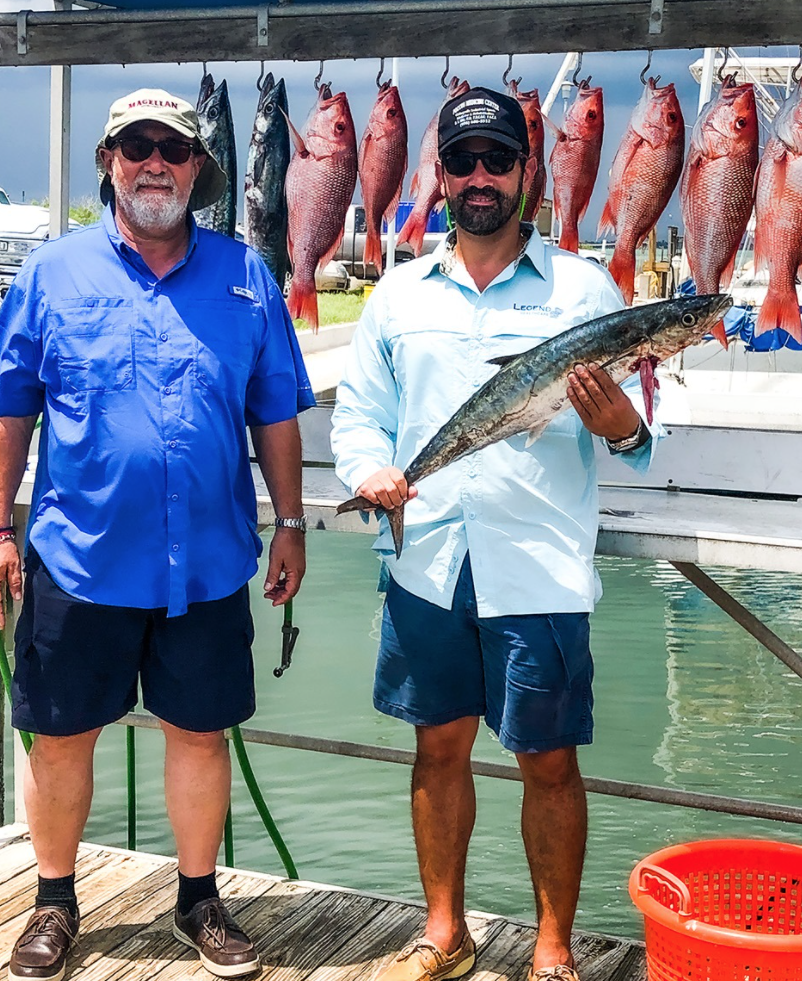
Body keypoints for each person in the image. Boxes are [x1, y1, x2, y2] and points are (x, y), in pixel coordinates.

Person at [0, 89, 314, 981]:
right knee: (60, 738)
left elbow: (275, 412)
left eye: (173, 147)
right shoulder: (52, 273)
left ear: (199, 169)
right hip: (78, 561)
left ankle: (198, 899)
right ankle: (53, 901)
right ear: (108, 163)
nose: (154, 161)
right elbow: (6, 410)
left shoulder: (246, 277)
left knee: (198, 735)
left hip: (205, 562)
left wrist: (291, 523)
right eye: (136, 147)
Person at [330, 86, 659, 981]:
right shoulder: (397, 296)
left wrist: (619, 423)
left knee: (548, 762)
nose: (480, 178)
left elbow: (641, 445)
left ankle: (552, 950)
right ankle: (446, 933)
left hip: (538, 567)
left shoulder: (586, 291)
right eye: (463, 161)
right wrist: (369, 473)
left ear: (527, 175)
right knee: (437, 748)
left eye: (498, 160)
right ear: (441, 176)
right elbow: (359, 418)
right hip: (426, 559)